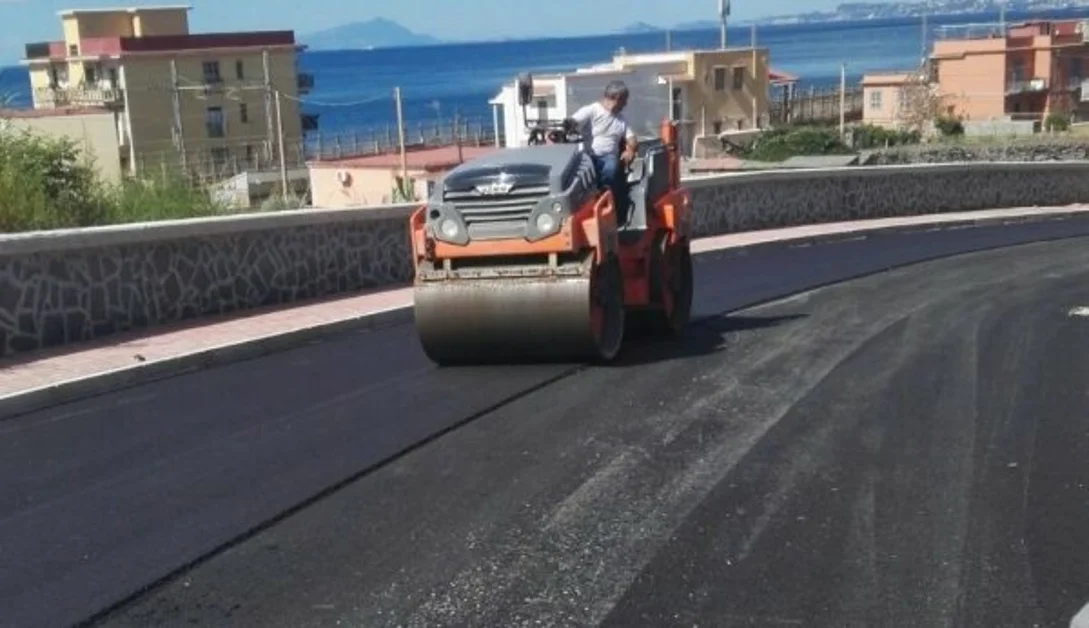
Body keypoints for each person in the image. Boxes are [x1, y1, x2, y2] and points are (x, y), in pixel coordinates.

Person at [566, 81, 638, 224]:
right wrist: (569, 125)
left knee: (610, 167)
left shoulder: (621, 120)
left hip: (609, 157)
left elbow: (632, 138)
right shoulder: (592, 110)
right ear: (617, 97)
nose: (625, 104)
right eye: (624, 100)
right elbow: (574, 121)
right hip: (588, 157)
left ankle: (604, 198)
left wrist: (630, 149)